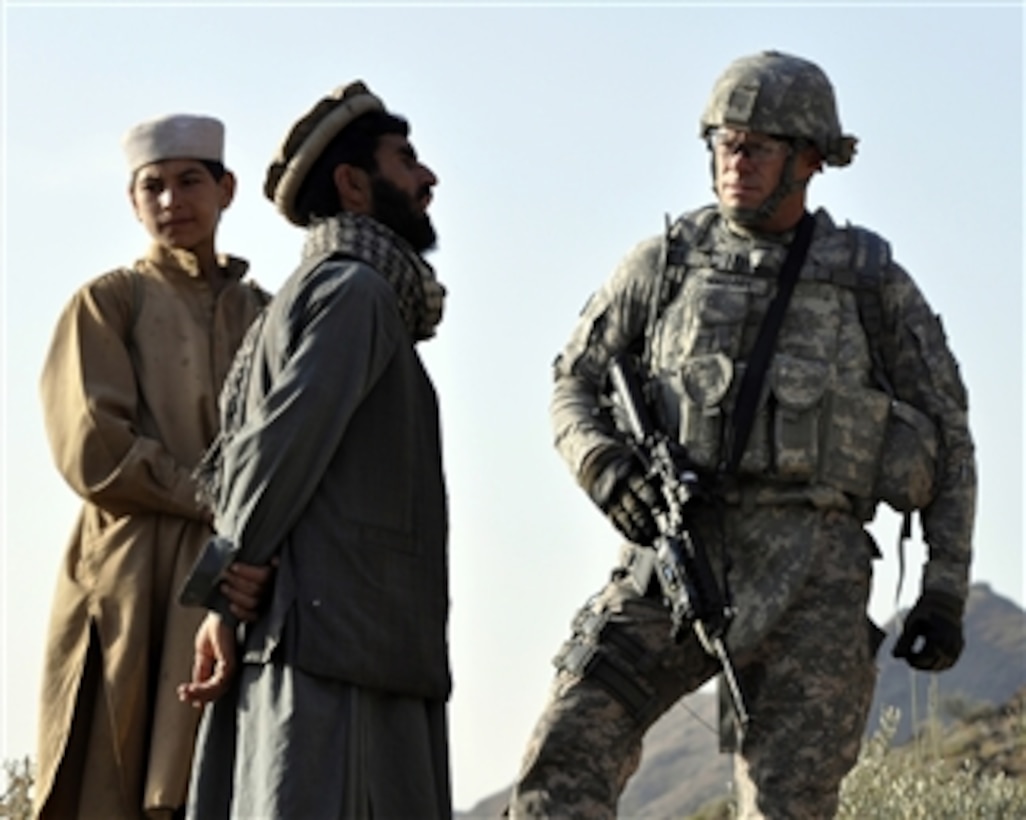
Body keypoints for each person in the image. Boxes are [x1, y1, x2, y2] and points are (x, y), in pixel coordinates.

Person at [507, 50, 976, 819]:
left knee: (788, 806)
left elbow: (950, 439)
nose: (737, 161)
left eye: (759, 146)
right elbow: (575, 379)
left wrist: (945, 589)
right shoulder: (664, 265)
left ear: (810, 160)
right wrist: (605, 469)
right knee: (562, 759)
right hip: (674, 561)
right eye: (726, 143)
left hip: (813, 586)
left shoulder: (869, 282)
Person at [175, 80, 451, 819]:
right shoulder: (354, 291)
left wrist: (228, 598)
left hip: (349, 638)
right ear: (354, 185)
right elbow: (279, 448)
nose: (428, 178)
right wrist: (227, 583)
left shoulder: (337, 292)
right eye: (406, 161)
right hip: (339, 648)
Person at [34, 114, 271, 819]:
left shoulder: (268, 313)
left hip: (243, 574)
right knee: (117, 777)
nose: (172, 202)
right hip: (130, 569)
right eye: (154, 187)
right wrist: (212, 499)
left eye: (190, 181)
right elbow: (94, 448)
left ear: (227, 189)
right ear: (133, 202)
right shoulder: (107, 304)